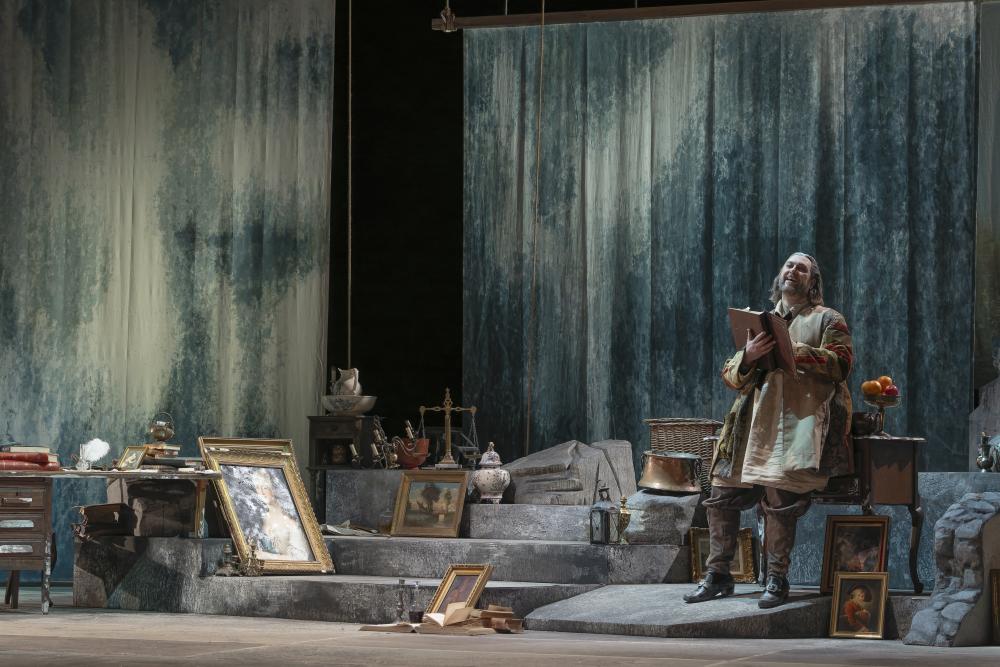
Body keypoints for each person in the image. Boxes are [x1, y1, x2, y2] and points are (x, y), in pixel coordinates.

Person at [684, 252, 853, 609]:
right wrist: (748, 355)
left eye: (802, 268)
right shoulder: (761, 321)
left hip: (795, 421)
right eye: (789, 266)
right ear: (780, 275)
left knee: (779, 498)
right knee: (721, 492)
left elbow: (841, 364)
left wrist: (796, 350)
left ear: (812, 282)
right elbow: (731, 376)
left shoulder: (827, 318)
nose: (793, 271)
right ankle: (718, 574)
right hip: (751, 423)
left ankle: (776, 578)